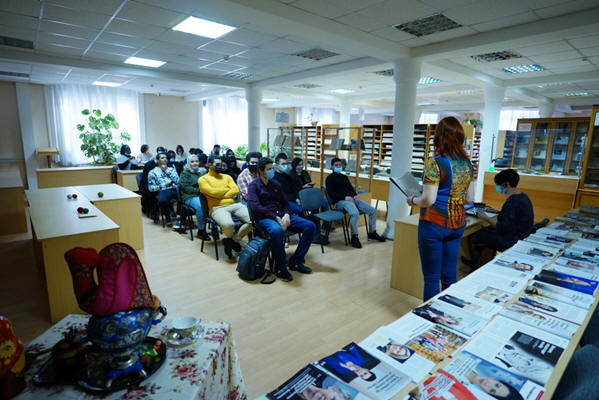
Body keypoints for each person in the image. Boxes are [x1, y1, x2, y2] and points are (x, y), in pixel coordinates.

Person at [407, 116, 475, 301]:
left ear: (439, 137)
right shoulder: (468, 164)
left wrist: (413, 200)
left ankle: (431, 316)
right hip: (457, 224)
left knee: (431, 278)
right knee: (449, 276)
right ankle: (447, 311)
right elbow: (470, 198)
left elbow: (428, 200)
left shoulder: (435, 163)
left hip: (434, 225)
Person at [247, 157, 316, 281]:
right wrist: (276, 218)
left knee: (310, 226)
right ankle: (281, 267)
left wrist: (287, 215)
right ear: (261, 171)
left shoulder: (275, 184)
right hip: (265, 217)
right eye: (268, 169)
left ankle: (296, 261)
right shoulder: (253, 186)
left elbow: (285, 203)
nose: (271, 171)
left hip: (280, 214)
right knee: (277, 231)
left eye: (272, 168)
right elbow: (255, 207)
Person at [462, 169, 534, 270]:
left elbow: (503, 227)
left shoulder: (513, 202)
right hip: (520, 235)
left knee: (475, 237)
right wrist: (497, 213)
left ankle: (475, 265)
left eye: (499, 185)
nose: (498, 187)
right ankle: (480, 261)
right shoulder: (522, 197)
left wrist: (486, 218)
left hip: (511, 239)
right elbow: (512, 218)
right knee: (483, 231)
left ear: (506, 184)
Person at [198, 155, 252, 257]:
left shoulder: (227, 177)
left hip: (234, 204)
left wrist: (219, 195)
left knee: (253, 220)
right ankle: (232, 240)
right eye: (217, 164)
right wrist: (227, 190)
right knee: (228, 225)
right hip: (217, 208)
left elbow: (236, 190)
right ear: (209, 165)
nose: (220, 166)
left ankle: (232, 240)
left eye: (221, 164)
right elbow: (212, 192)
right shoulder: (203, 179)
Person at [325, 157, 385, 248]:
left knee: (373, 211)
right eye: (336, 165)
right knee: (355, 213)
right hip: (340, 202)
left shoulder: (344, 177)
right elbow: (331, 193)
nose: (338, 167)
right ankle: (354, 237)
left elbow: (351, 189)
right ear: (332, 167)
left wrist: (355, 195)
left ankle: (372, 233)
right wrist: (345, 197)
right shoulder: (329, 179)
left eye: (340, 165)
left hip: (352, 199)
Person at [179, 154, 210, 241]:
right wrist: (200, 190)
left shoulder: (203, 172)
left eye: (196, 161)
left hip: (203, 195)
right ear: (188, 163)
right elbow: (186, 188)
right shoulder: (185, 173)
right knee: (200, 206)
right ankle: (201, 230)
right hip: (189, 196)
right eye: (192, 162)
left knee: (215, 202)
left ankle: (214, 227)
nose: (195, 163)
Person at [148, 152, 179, 227]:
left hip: (174, 188)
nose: (165, 159)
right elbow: (151, 188)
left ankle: (182, 218)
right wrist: (163, 185)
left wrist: (167, 170)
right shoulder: (152, 172)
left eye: (166, 158)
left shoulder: (171, 170)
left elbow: (178, 181)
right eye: (162, 158)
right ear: (157, 161)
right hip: (163, 190)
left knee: (185, 197)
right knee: (162, 201)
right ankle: (168, 217)